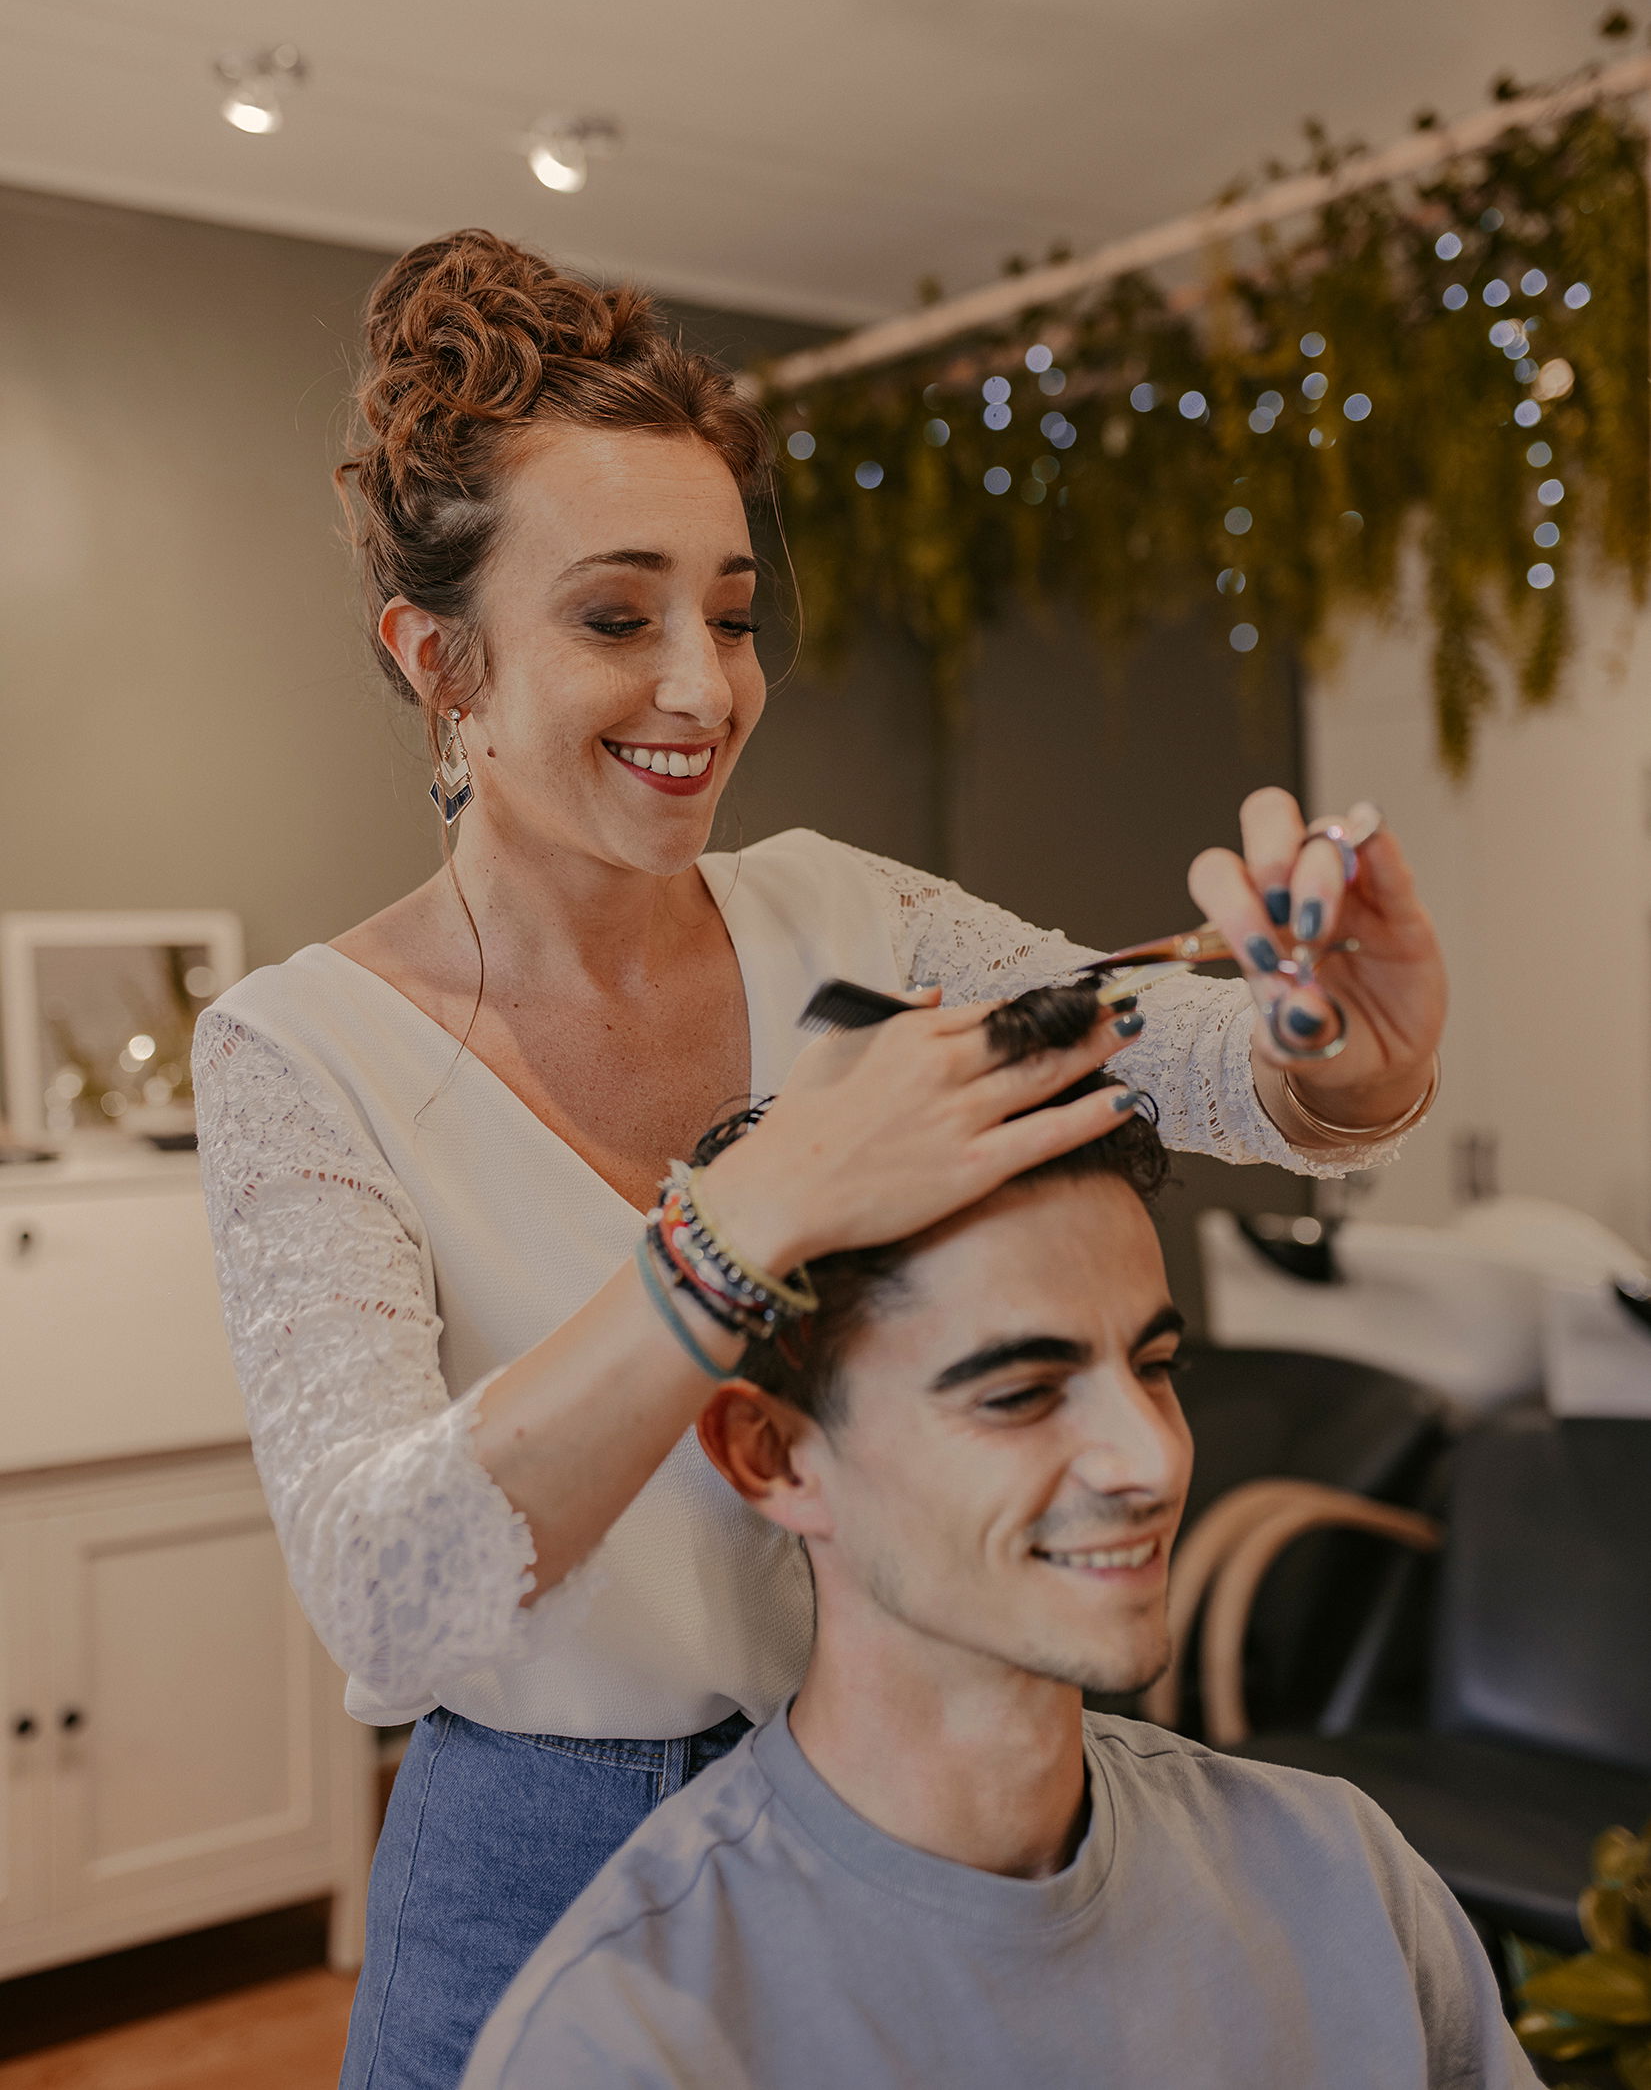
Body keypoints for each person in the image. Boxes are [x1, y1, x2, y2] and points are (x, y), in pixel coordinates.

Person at [191, 229, 1448, 2089]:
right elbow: (387, 1596)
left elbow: (1191, 1059)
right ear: (436, 655)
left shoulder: (847, 915)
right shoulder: (302, 1052)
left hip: (901, 1812)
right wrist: (747, 1218)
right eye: (618, 617)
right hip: (538, 1856)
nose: (705, 684)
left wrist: (1339, 1040)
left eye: (732, 607)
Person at [461, 1021, 1529, 2090]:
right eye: (1019, 1391)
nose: (1151, 1458)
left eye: (1154, 1364)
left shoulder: (1342, 1875)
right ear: (774, 1453)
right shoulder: (629, 2038)